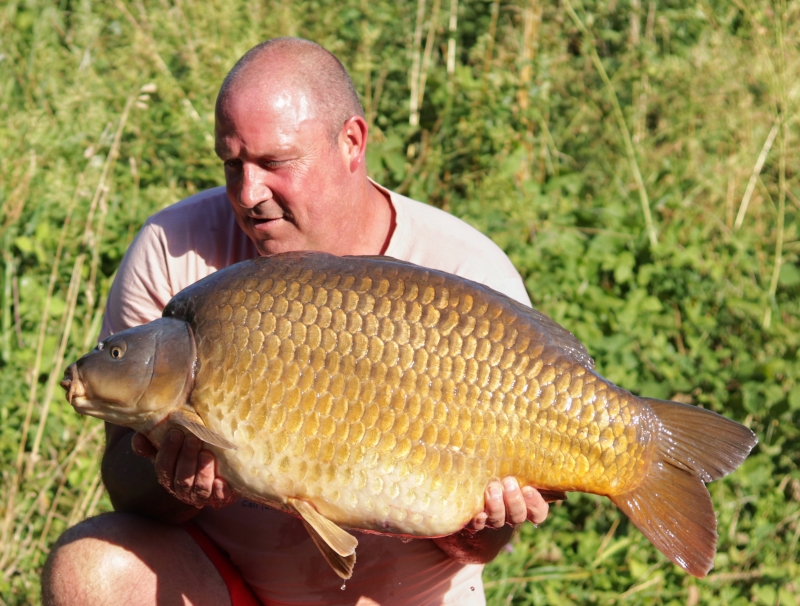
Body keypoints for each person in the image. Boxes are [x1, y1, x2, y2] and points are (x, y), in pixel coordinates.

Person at [43, 38, 549, 606]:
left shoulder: (462, 271)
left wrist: (487, 524)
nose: (248, 193)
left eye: (274, 163)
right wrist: (176, 482)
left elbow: (479, 548)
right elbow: (123, 482)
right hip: (222, 585)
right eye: (232, 163)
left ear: (351, 142)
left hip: (405, 596)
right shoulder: (172, 250)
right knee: (92, 569)